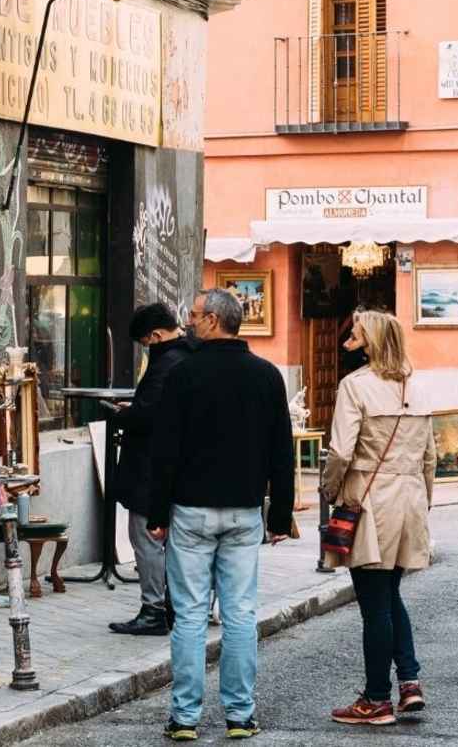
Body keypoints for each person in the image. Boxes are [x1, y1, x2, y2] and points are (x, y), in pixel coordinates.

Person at [147, 289, 295, 741]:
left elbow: (164, 450)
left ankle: (185, 718)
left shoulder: (183, 374)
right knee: (240, 613)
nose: (188, 322)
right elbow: (281, 452)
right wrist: (279, 516)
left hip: (190, 510)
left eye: (194, 315)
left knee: (190, 616)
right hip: (244, 511)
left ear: (213, 320)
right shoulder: (267, 376)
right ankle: (239, 715)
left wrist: (157, 512)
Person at [321, 311, 436, 726]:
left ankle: (375, 699)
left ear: (369, 340)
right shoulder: (417, 386)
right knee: (390, 594)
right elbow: (430, 456)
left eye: (356, 332)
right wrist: (425, 502)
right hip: (409, 499)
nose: (350, 335)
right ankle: (409, 683)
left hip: (370, 500)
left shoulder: (355, 387)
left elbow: (341, 451)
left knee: (374, 605)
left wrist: (331, 491)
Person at [109, 302, 197, 636]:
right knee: (170, 541)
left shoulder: (167, 363)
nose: (147, 349)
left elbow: (152, 416)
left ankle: (154, 609)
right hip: (177, 467)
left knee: (146, 538)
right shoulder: (189, 355)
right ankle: (177, 605)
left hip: (150, 468)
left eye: (146, 343)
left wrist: (124, 414)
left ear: (156, 335)